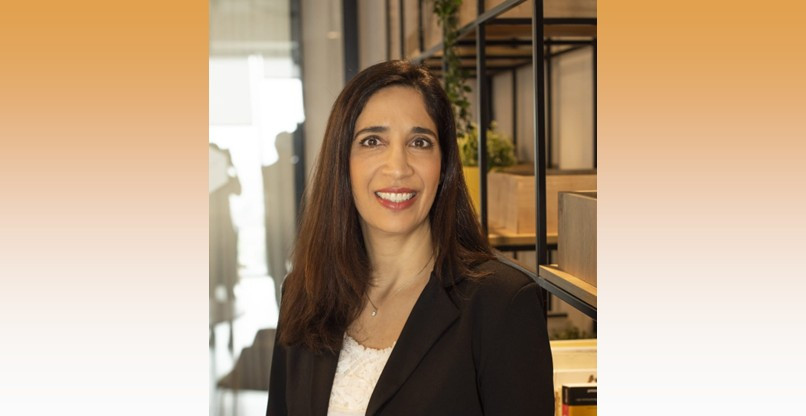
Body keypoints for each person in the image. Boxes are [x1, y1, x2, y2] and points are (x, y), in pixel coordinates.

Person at [267, 60, 553, 416]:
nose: (398, 168)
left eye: (420, 142)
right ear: (342, 162)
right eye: (372, 141)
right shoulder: (304, 293)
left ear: (443, 166)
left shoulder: (502, 304)